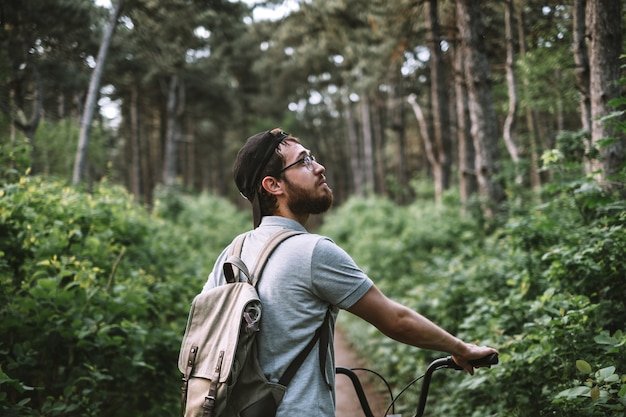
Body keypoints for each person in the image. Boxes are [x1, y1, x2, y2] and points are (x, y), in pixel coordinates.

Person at [203, 128, 498, 417]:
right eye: (303, 161)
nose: (319, 167)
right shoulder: (312, 251)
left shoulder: (231, 254)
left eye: (312, 157)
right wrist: (462, 349)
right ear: (273, 185)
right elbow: (397, 320)